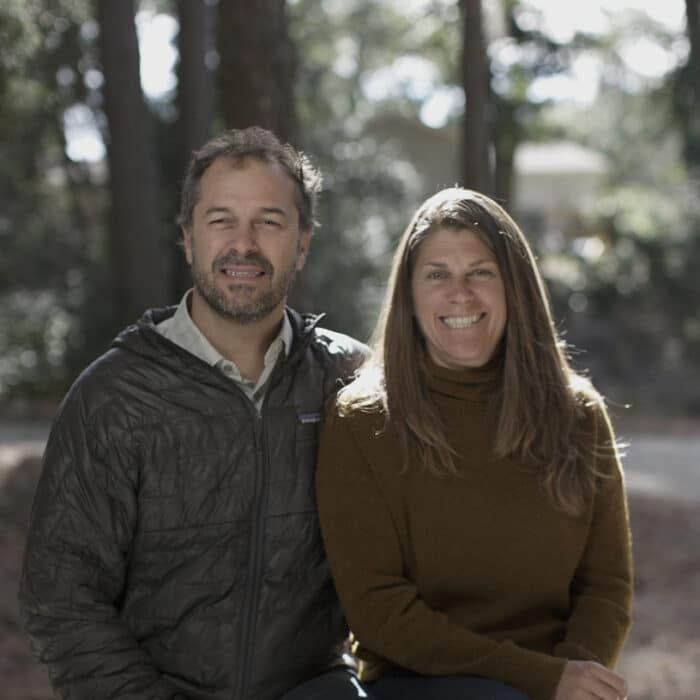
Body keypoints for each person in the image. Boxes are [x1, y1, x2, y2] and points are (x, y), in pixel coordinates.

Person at [19, 126, 369, 700]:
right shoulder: (114, 395)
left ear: (302, 243)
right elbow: (61, 597)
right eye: (221, 219)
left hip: (312, 689)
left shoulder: (347, 379)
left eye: (270, 221)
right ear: (188, 239)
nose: (244, 243)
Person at [316, 187, 633, 700]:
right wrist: (538, 679)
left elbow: (606, 586)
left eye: (480, 272)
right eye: (437, 274)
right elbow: (379, 611)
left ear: (515, 287)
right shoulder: (363, 423)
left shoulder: (578, 417)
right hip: (415, 681)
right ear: (410, 295)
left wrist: (574, 677)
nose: (460, 293)